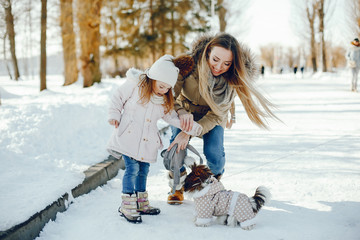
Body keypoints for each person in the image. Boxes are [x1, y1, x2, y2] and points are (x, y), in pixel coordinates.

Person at [165, 33, 278, 205]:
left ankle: (211, 186)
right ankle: (177, 184)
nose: (219, 67)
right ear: (208, 52)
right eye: (215, 59)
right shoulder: (188, 64)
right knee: (177, 148)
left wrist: (190, 132)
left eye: (227, 63)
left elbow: (217, 115)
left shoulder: (232, 78)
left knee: (214, 154)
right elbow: (170, 96)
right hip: (184, 112)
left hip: (212, 117)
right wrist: (181, 114)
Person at [107, 55, 203, 223]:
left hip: (147, 141)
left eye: (167, 88)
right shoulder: (134, 84)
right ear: (154, 78)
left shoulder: (163, 99)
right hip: (129, 136)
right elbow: (117, 98)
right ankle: (127, 204)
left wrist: (192, 127)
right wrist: (114, 115)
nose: (163, 90)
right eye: (161, 85)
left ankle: (141, 202)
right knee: (132, 170)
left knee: (143, 171)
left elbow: (172, 117)